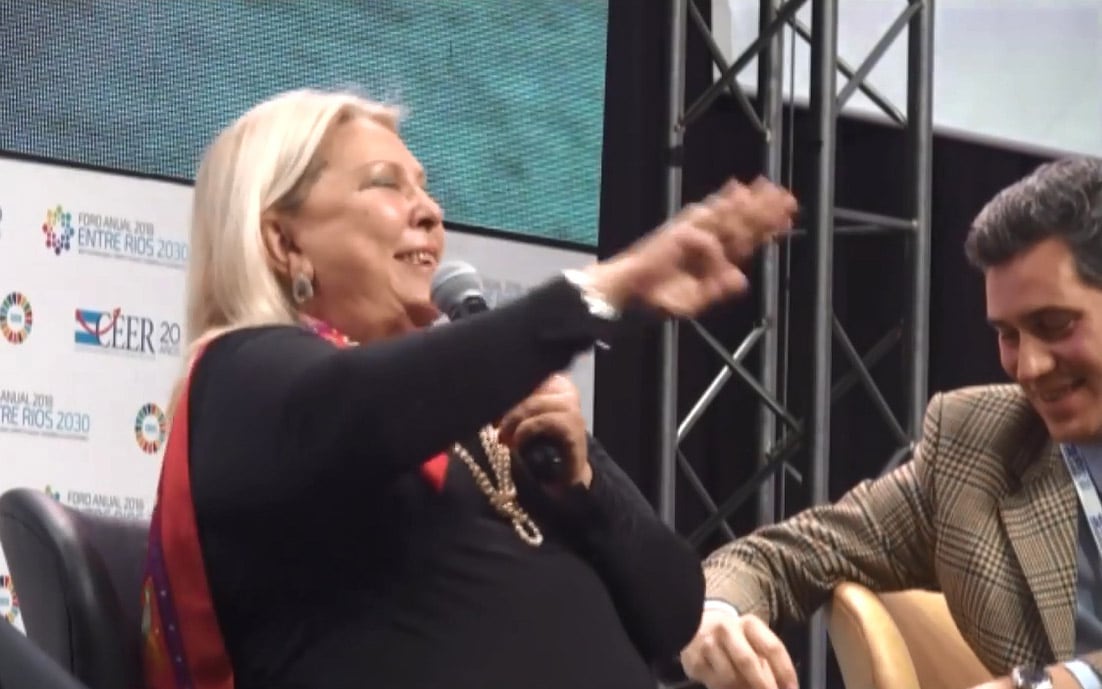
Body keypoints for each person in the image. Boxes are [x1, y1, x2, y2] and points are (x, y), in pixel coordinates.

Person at [137, 88, 797, 689]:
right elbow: (374, 406)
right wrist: (600, 293)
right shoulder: (243, 381)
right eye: (385, 184)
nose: (431, 212)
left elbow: (675, 609)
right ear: (284, 241)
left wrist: (583, 487)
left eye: (425, 189)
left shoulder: (489, 417)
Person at [680, 157, 1102, 689]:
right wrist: (715, 616)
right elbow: (784, 556)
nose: (1031, 367)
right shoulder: (979, 448)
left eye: (1055, 324)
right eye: (1009, 335)